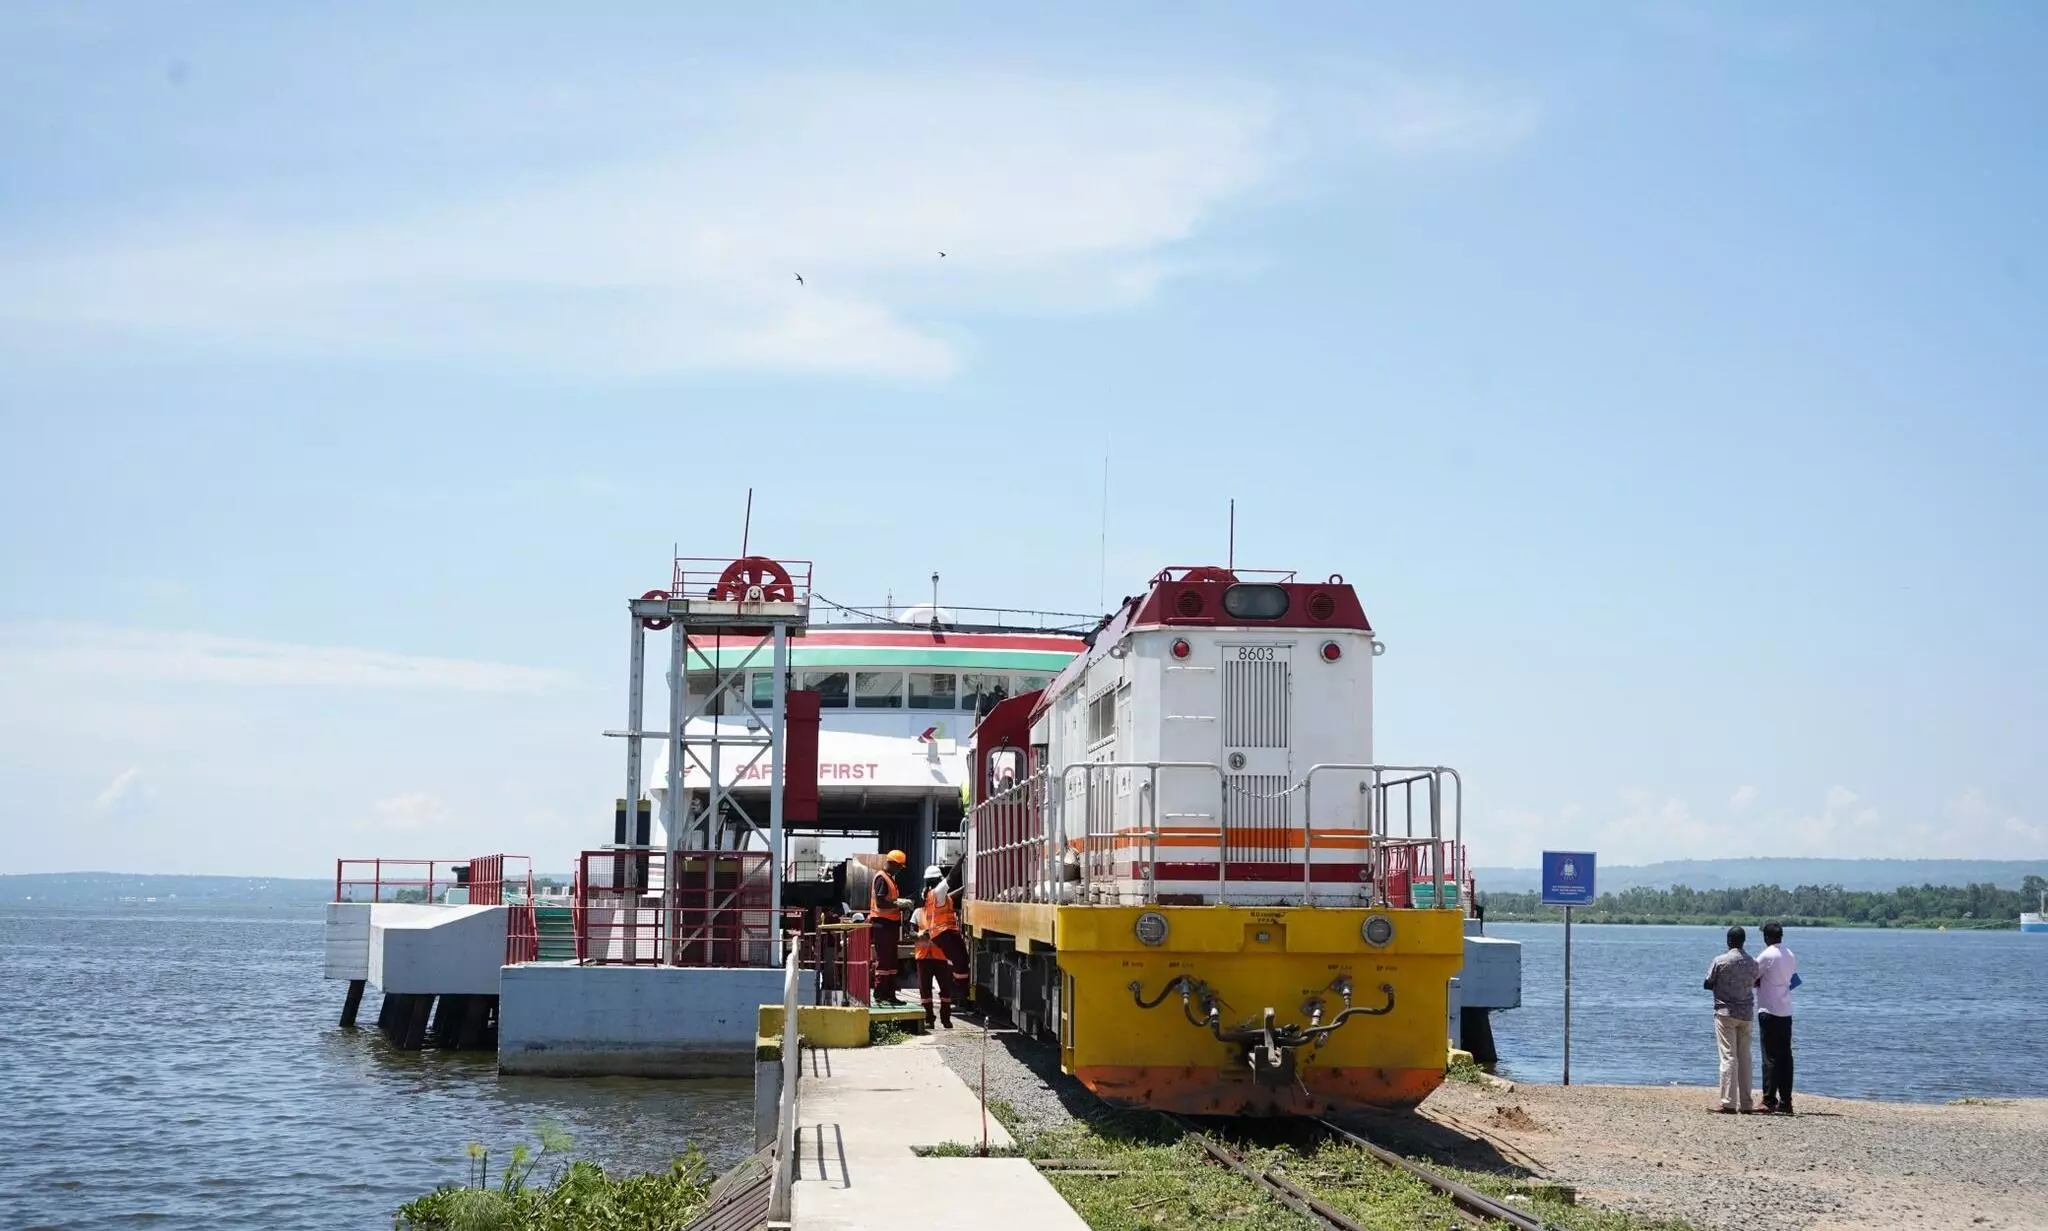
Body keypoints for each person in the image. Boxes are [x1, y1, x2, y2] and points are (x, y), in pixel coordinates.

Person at [1703, 924, 1759, 1113]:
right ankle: (1747, 1103)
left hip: (1725, 1013)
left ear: (1728, 941)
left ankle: (1728, 1102)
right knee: (1745, 1058)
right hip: (1746, 1014)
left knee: (1728, 1057)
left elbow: (1707, 983)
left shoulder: (1720, 961)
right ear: (1743, 941)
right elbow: (1754, 982)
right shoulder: (1753, 963)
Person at [1755, 921, 1799, 1114]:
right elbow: (1793, 981)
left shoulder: (1767, 955)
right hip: (1786, 1010)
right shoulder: (1790, 954)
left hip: (1769, 1009)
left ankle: (1768, 1099)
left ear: (1767, 937)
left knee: (1769, 1057)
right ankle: (1786, 1101)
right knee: (1785, 1057)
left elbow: (1752, 976)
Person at [922, 861, 970, 1018]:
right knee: (961, 961)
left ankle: (958, 992)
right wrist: (961, 859)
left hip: (940, 934)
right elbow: (952, 876)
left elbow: (950, 896)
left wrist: (966, 888)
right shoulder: (938, 891)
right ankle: (960, 993)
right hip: (945, 932)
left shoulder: (931, 894)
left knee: (958, 961)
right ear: (938, 879)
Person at [867, 850, 913, 1006]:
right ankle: (880, 993)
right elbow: (880, 903)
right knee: (885, 960)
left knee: (891, 961)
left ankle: (890, 994)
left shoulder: (889, 879)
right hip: (882, 924)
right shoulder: (882, 878)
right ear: (892, 863)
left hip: (889, 925)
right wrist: (897, 904)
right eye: (899, 866)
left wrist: (899, 906)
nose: (899, 870)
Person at [910, 884, 954, 1030]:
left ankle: (946, 1018)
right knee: (925, 990)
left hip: (941, 957)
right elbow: (910, 932)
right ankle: (929, 1019)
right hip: (923, 957)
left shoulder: (944, 914)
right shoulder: (917, 913)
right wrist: (919, 935)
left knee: (946, 989)